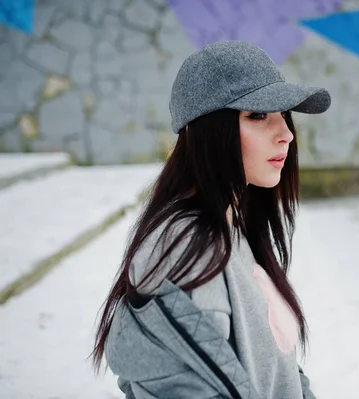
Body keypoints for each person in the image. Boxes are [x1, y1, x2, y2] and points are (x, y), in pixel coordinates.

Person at [91, 40, 330, 398]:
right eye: (258, 115)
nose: (286, 135)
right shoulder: (191, 246)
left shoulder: (233, 228)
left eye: (283, 115)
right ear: (205, 130)